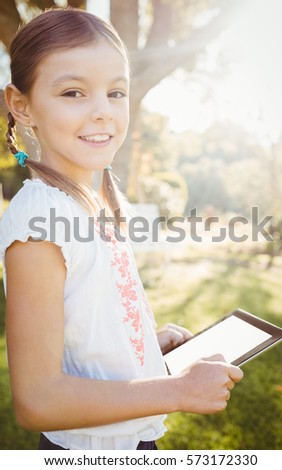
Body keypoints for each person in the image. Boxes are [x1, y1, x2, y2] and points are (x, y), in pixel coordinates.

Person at [0, 7, 243, 451]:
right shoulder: (38, 217)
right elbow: (37, 400)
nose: (103, 113)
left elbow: (83, 331)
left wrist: (145, 346)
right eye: (73, 92)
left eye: (116, 92)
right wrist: (178, 390)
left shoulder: (95, 201)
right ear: (21, 105)